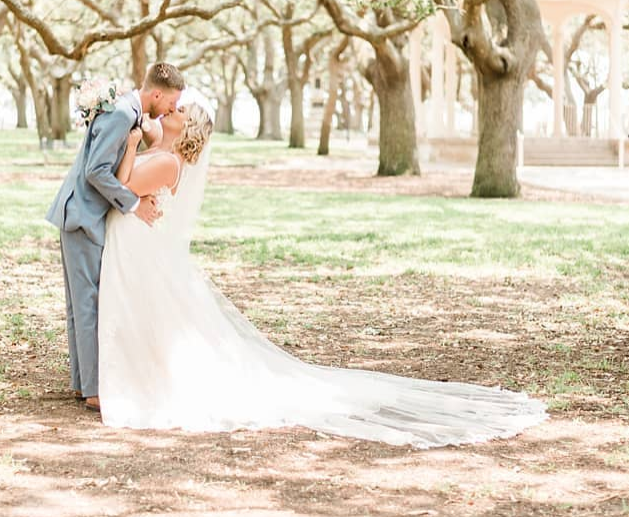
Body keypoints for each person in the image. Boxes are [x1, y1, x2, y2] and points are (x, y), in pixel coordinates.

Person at [96, 94, 548, 448]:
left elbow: (124, 183)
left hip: (141, 250)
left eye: (178, 109)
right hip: (141, 249)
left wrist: (133, 140)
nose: (169, 110)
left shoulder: (168, 161)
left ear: (186, 124)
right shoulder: (170, 156)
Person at [45, 63, 184, 413]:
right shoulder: (123, 113)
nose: (171, 108)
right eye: (171, 101)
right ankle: (93, 390)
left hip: (79, 215)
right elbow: (95, 171)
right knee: (89, 302)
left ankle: (82, 384)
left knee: (81, 304)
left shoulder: (128, 112)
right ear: (156, 93)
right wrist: (133, 203)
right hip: (84, 216)